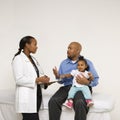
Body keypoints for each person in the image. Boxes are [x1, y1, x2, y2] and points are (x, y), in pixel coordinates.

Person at [48, 42, 99, 120]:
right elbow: (61, 81)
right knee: (53, 101)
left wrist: (87, 82)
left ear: (78, 50)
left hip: (82, 87)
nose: (67, 50)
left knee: (80, 102)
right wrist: (57, 76)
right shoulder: (64, 63)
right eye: (68, 48)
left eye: (70, 48)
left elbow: (95, 80)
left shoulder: (87, 63)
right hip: (67, 87)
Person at [12, 36, 50, 120]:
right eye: (35, 44)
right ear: (27, 45)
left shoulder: (33, 59)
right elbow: (18, 79)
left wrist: (44, 81)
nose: (37, 47)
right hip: (27, 97)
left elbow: (38, 75)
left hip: (36, 96)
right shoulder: (18, 59)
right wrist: (37, 80)